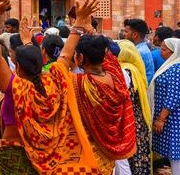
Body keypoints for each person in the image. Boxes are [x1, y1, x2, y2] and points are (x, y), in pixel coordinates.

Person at [0, 0, 100, 174]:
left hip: (14, 154)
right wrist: (78, 21)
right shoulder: (54, 81)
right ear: (42, 61)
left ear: (17, 67)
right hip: (48, 157)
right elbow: (66, 53)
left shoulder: (15, 87)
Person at [71, 30, 137, 173]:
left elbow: (58, 71)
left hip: (89, 151)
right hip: (109, 154)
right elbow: (110, 59)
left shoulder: (79, 83)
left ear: (80, 57)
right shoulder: (116, 77)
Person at [115, 40, 152, 174]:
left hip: (129, 117)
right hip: (137, 117)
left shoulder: (125, 70)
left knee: (130, 154)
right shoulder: (134, 68)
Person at [150, 38, 180, 174]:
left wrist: (161, 119)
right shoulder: (170, 65)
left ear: (173, 52)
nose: (160, 51)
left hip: (172, 118)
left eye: (163, 49)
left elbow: (173, 96)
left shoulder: (176, 68)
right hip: (169, 117)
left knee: (176, 153)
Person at [123, 18, 155, 83]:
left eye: (126, 32)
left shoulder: (139, 52)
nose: (124, 34)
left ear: (135, 35)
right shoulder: (140, 49)